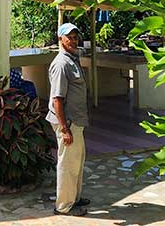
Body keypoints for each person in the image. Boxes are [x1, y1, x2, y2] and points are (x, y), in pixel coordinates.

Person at [46, 22, 90, 216]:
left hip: (76, 121)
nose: (73, 40)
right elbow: (57, 99)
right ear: (60, 39)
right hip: (68, 123)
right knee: (67, 164)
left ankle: (75, 198)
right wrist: (64, 129)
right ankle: (64, 206)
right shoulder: (61, 64)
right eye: (69, 37)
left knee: (77, 162)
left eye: (75, 37)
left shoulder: (73, 59)